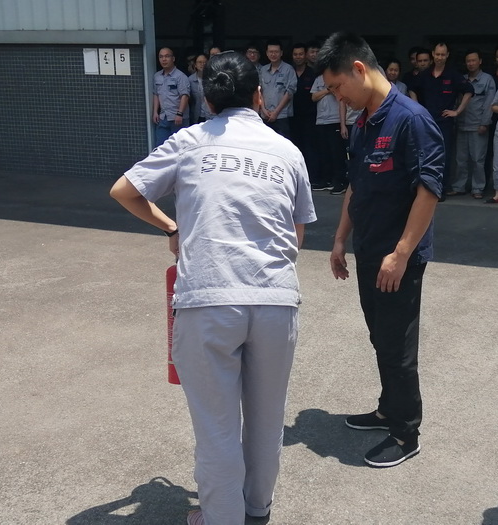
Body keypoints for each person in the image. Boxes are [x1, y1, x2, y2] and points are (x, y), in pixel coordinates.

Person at [110, 51, 316, 525]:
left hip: (208, 297)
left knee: (217, 427)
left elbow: (125, 190)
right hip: (274, 298)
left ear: (207, 100)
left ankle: (222, 517)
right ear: (259, 96)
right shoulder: (287, 152)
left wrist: (172, 228)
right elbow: (296, 235)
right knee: (266, 420)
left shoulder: (189, 141)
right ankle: (257, 510)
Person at [318, 32, 444, 468]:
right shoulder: (363, 123)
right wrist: (340, 239)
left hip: (397, 259)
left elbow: (429, 190)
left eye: (337, 87)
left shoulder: (411, 119)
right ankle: (389, 409)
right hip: (369, 250)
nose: (337, 97)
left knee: (397, 347)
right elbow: (356, 185)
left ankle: (406, 433)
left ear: (358, 69)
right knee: (380, 337)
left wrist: (402, 253)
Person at [409, 42, 474, 197]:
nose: (439, 57)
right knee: (425, 156)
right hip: (427, 122)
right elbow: (412, 89)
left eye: (443, 55)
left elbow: (469, 91)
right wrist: (417, 109)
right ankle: (425, 188)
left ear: (447, 55)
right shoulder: (425, 74)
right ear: (433, 54)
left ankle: (441, 190)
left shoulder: (453, 75)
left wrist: (457, 111)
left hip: (445, 123)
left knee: (444, 156)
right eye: (437, 54)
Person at [453, 49, 496, 199]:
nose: (471, 63)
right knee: (460, 159)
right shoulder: (462, 80)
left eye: (473, 60)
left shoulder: (487, 80)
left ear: (480, 61)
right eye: (468, 61)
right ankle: (459, 186)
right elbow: (457, 102)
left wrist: (485, 123)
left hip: (478, 125)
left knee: (478, 159)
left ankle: (478, 188)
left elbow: (489, 103)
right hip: (462, 124)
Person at [311, 73, 345, 191]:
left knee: (336, 153)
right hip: (321, 120)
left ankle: (339, 181)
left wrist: (331, 90)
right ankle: (326, 180)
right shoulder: (318, 79)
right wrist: (327, 90)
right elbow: (313, 97)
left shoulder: (338, 77)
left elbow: (340, 96)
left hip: (335, 119)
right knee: (323, 152)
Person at [290, 43, 319, 180]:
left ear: (305, 55)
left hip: (310, 116)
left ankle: (312, 177)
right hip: (292, 116)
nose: (298, 57)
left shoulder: (313, 73)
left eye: (301, 54)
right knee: (295, 147)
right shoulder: (289, 71)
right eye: (295, 54)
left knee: (311, 148)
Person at [152, 47, 190, 147]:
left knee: (180, 148)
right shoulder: (157, 76)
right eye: (161, 57)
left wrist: (180, 114)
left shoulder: (180, 76)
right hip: (163, 117)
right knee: (161, 147)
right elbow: (156, 94)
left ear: (173, 59)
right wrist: (155, 112)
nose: (164, 59)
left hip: (178, 119)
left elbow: (185, 96)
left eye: (167, 56)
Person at [259, 39, 297, 138]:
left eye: (276, 52)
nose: (273, 54)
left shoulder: (288, 69)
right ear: (267, 53)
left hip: (282, 116)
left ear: (281, 53)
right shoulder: (263, 70)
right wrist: (263, 109)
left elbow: (290, 92)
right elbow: (259, 91)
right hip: (265, 115)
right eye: (271, 52)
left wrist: (276, 112)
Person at [188, 54, 214, 123]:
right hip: (196, 115)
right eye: (199, 62)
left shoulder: (213, 79)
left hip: (211, 115)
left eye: (205, 62)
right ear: (195, 65)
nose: (202, 64)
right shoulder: (190, 80)